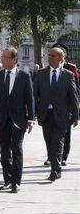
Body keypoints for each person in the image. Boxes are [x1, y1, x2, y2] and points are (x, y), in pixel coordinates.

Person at [0, 47, 35, 193]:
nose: (3, 59)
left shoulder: (24, 76)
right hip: (2, 119)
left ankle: (16, 182)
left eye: (6, 57)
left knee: (17, 149)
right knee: (5, 151)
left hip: (19, 120)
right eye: (3, 57)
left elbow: (29, 99)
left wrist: (31, 118)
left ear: (15, 59)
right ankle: (7, 179)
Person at [34, 47, 79, 181]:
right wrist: (32, 113)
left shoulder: (68, 75)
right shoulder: (41, 74)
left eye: (53, 56)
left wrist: (76, 116)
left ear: (61, 59)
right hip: (45, 114)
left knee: (57, 142)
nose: (49, 58)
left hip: (62, 115)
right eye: (49, 55)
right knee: (49, 143)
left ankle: (55, 170)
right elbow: (33, 95)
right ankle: (55, 166)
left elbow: (73, 97)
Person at [51, 43, 79, 167]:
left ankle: (63, 157)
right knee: (52, 135)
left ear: (64, 55)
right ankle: (52, 156)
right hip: (51, 108)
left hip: (66, 107)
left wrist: (76, 110)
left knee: (66, 134)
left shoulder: (71, 68)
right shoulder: (50, 68)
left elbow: (76, 89)